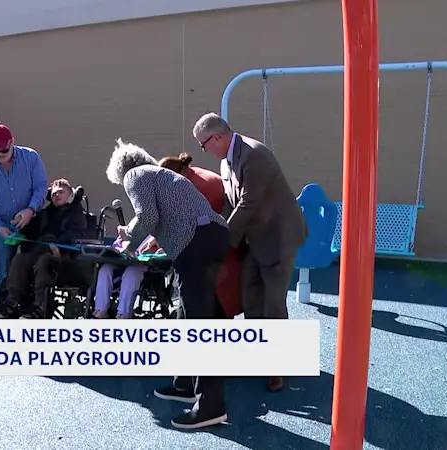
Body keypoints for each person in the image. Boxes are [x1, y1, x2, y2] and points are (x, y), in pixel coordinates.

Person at [105, 138, 230, 430]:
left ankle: (212, 406)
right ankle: (185, 383)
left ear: (122, 170)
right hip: (209, 238)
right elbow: (162, 217)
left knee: (201, 325)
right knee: (186, 314)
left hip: (195, 244)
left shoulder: (135, 176)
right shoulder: (162, 176)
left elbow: (147, 216)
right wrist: (140, 234)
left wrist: (128, 239)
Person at [192, 113, 308, 392]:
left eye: (203, 144)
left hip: (278, 238)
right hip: (256, 239)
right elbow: (230, 207)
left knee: (273, 302)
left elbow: (248, 203)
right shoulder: (226, 162)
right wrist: (210, 230)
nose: (203, 150)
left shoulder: (253, 155)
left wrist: (221, 241)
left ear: (216, 138)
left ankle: (277, 366)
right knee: (249, 295)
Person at [158, 152, 243, 319]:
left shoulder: (196, 187)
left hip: (213, 251)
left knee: (202, 302)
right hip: (221, 246)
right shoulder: (195, 177)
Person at [0, 124, 49, 310]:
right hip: (3, 226)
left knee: (32, 264)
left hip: (33, 223)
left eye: (4, 149)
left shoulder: (31, 158)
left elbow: (41, 187)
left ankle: (30, 306)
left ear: (12, 142)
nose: (0, 154)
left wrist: (30, 210)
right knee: (4, 268)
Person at [0, 179, 87, 319]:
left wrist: (59, 245)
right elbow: (32, 231)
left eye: (61, 192)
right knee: (20, 259)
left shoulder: (77, 214)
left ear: (71, 195)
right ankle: (12, 302)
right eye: (54, 193)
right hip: (40, 250)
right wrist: (21, 229)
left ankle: (40, 305)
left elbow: (76, 234)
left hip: (64, 256)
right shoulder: (46, 213)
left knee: (45, 261)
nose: (57, 195)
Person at [92, 234, 163, 319]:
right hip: (122, 260)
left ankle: (123, 314)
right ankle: (100, 311)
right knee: (105, 269)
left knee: (131, 273)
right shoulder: (134, 227)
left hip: (144, 263)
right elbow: (117, 243)